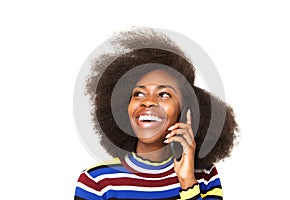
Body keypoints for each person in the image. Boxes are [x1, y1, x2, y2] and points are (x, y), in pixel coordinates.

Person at [74, 28, 238, 200]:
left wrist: (187, 182)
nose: (148, 101)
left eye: (164, 94)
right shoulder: (97, 181)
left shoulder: (205, 176)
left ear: (185, 111)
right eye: (139, 94)